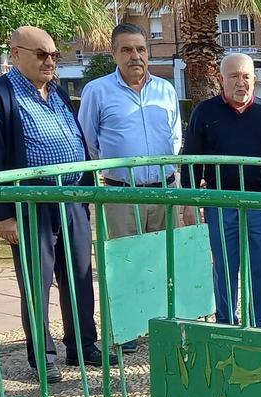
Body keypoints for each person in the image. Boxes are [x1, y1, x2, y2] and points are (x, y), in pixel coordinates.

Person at [0, 26, 115, 384]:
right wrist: (2, 213)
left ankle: (83, 345)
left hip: (70, 202)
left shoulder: (58, 93)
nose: (50, 61)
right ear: (15, 53)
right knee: (37, 284)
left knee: (80, 277)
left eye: (54, 55)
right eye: (41, 55)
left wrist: (84, 195)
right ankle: (43, 357)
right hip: (30, 205)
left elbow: (76, 142)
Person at [182, 53, 261, 329]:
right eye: (234, 76)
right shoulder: (204, 113)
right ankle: (226, 321)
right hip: (220, 201)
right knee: (225, 265)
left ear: (254, 79)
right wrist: (189, 201)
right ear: (221, 79)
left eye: (246, 76)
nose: (241, 83)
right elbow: (191, 159)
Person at [78, 23, 188, 241]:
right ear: (114, 54)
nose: (135, 56)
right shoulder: (97, 91)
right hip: (122, 197)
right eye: (127, 50)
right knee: (125, 266)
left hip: (164, 192)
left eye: (141, 49)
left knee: (165, 264)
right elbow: (87, 142)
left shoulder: (165, 89)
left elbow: (174, 137)